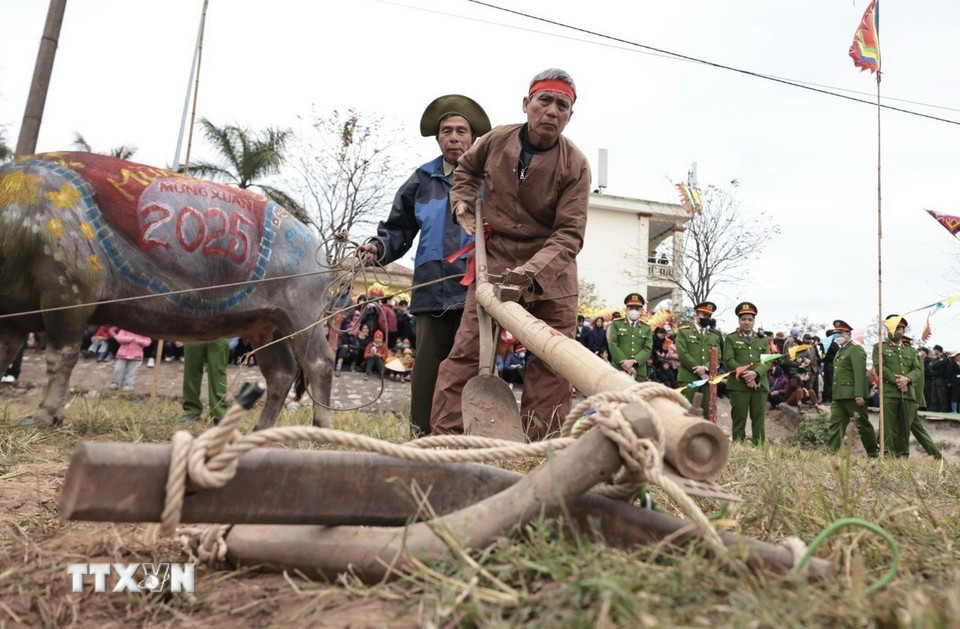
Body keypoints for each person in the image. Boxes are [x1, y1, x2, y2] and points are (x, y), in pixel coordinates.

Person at [431, 68, 591, 440]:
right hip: (495, 259)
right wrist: (463, 203)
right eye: (545, 101)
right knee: (467, 354)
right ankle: (446, 442)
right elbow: (465, 172)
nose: (552, 111)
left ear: (570, 115)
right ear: (527, 104)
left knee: (553, 364)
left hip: (552, 276)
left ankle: (540, 451)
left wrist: (530, 275)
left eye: (562, 105)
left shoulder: (576, 165)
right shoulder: (494, 140)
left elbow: (569, 235)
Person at [358, 93, 490, 435]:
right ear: (438, 137)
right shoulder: (422, 179)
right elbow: (398, 229)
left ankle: (469, 439)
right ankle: (421, 436)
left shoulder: (490, 179)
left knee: (474, 368)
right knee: (428, 368)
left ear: (473, 137)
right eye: (447, 130)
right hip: (432, 288)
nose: (454, 137)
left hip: (477, 289)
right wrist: (378, 246)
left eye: (462, 131)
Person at [871, 315, 940, 458]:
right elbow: (880, 368)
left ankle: (902, 457)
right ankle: (887, 456)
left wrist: (907, 379)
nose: (899, 331)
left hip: (908, 394)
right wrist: (898, 380)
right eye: (895, 328)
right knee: (888, 428)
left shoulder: (910, 350)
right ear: (888, 329)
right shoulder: (879, 347)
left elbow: (917, 370)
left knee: (904, 429)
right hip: (890, 393)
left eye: (901, 328)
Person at [826, 319, 878, 457]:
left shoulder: (856, 349)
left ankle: (873, 454)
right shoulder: (840, 351)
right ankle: (831, 453)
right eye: (835, 334)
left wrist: (859, 393)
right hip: (839, 395)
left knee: (863, 426)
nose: (837, 337)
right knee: (835, 425)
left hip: (853, 396)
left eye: (840, 333)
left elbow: (859, 373)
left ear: (848, 334)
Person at [723, 302, 772, 445]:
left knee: (758, 419)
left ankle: (760, 447)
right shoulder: (731, 338)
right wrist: (747, 375)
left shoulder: (762, 339)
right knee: (739, 418)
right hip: (739, 386)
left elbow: (767, 361)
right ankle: (739, 447)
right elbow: (729, 360)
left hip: (759, 385)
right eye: (743, 319)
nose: (747, 322)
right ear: (739, 321)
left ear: (754, 321)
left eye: (750, 319)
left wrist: (756, 374)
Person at [675, 301, 721, 419]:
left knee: (707, 414)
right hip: (688, 378)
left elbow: (718, 356)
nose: (706, 318)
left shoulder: (714, 337)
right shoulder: (684, 332)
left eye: (709, 316)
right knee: (685, 413)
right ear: (696, 315)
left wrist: (705, 368)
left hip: (708, 379)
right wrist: (699, 370)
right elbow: (683, 354)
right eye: (704, 315)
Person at [180, 339, 229, 424]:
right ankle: (191, 411)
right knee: (191, 370)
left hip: (220, 330)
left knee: (218, 371)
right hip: (193, 331)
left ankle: (219, 412)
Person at [608, 293, 654, 382]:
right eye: (631, 308)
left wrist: (633, 361)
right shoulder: (616, 324)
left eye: (637, 308)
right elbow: (613, 344)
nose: (634, 311)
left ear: (641, 310)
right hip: (619, 369)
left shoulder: (646, 327)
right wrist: (624, 363)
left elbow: (647, 349)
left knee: (637, 395)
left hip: (638, 371)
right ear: (626, 309)